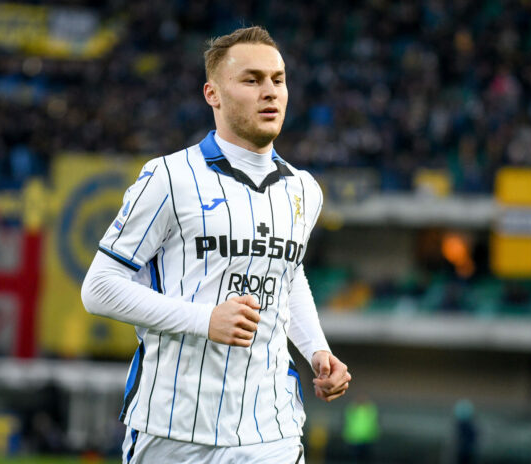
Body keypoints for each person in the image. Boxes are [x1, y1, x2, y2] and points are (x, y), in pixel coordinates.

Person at [81, 26, 351, 463]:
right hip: (173, 431)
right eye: (251, 80)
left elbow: (287, 274)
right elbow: (99, 288)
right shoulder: (168, 178)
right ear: (213, 94)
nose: (270, 92)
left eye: (277, 80)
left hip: (272, 431)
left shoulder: (304, 190)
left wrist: (317, 349)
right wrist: (204, 319)